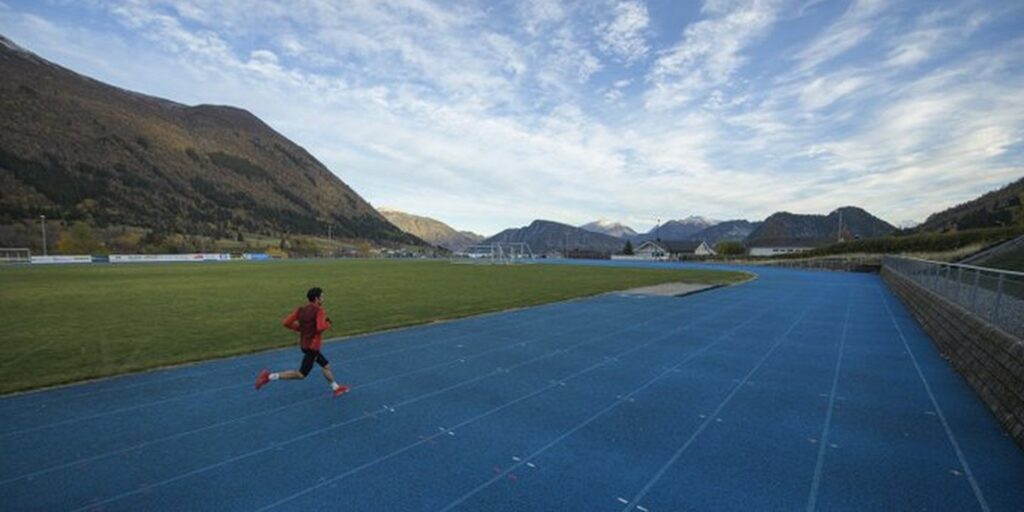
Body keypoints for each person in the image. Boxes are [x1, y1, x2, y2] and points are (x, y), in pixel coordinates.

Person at [255, 287, 349, 397]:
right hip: (312, 348)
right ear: (316, 298)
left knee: (326, 365)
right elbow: (320, 327)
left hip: (305, 345)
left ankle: (336, 388)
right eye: (322, 297)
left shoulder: (301, 310)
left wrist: (300, 328)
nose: (323, 299)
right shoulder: (319, 310)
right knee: (301, 374)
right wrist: (328, 324)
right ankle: (269, 376)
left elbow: (286, 323)